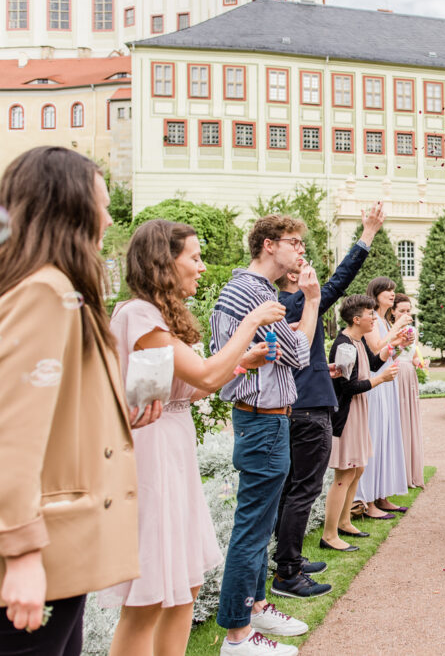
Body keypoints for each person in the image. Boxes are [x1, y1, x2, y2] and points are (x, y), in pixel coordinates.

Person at [0, 147, 160, 654]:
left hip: (58, 549)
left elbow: (55, 414)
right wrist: (22, 555)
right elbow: (11, 432)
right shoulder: (45, 292)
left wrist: (119, 417)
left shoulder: (52, 288)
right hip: (40, 555)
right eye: (102, 205)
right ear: (68, 208)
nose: (110, 219)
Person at [106, 220, 284, 655]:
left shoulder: (161, 319)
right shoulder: (138, 315)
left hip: (173, 450)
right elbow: (204, 372)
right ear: (165, 263)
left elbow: (198, 387)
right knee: (147, 597)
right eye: (195, 257)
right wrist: (252, 321)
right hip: (150, 456)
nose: (202, 267)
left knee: (186, 584)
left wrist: (244, 361)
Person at [211, 215, 323, 656]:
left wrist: (300, 303)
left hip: (268, 418)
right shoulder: (250, 292)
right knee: (253, 527)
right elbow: (298, 354)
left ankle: (255, 606)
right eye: (295, 243)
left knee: (260, 521)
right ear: (269, 244)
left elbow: (286, 351)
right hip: (261, 419)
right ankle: (237, 634)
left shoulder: (260, 292)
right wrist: (311, 301)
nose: (300, 251)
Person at [270, 202, 383, 600]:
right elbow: (341, 279)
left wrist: (324, 369)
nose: (304, 261)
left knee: (291, 489)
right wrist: (366, 235)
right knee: (303, 490)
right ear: (290, 276)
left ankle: (289, 560)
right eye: (298, 257)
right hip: (309, 409)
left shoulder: (282, 305)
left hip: (301, 399)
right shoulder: (298, 302)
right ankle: (288, 573)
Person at [321, 295, 399, 552]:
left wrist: (393, 344)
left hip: (359, 412)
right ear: (357, 319)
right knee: (344, 472)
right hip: (347, 415)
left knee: (358, 469)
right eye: (370, 315)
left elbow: (375, 363)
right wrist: (381, 380)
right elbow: (347, 386)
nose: (375, 318)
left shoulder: (357, 341)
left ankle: (345, 521)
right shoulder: (344, 346)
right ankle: (329, 535)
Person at [355, 277, 413, 519]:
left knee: (388, 436)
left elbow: (386, 351)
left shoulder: (383, 320)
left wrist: (400, 343)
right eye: (387, 290)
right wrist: (397, 325)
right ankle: (368, 501)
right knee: (375, 437)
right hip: (375, 381)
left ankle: (383, 495)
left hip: (388, 378)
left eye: (394, 290)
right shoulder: (372, 320)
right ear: (376, 293)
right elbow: (376, 347)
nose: (392, 293)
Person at [393, 293, 427, 489]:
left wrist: (420, 362)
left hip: (409, 376)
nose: (406, 314)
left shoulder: (412, 330)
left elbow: (413, 356)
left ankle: (411, 471)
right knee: (399, 421)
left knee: (410, 420)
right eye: (402, 311)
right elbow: (386, 355)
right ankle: (399, 472)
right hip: (395, 375)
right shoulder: (389, 330)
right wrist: (399, 344)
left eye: (408, 311)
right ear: (393, 312)